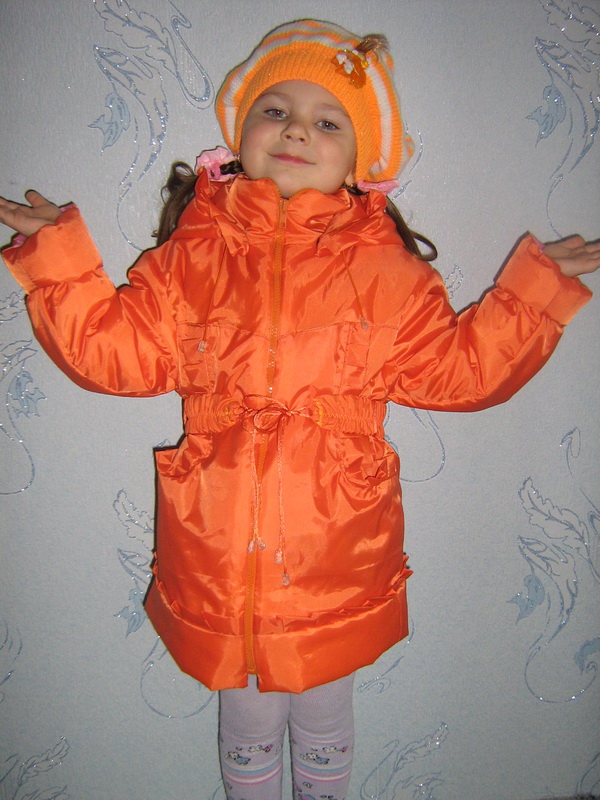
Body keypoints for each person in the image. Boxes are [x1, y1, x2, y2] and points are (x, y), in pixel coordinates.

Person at [1, 18, 598, 800]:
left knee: (323, 713)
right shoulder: (191, 258)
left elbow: (460, 372)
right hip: (217, 550)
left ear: (362, 161)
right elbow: (115, 353)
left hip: (335, 553)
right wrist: (60, 268)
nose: (295, 131)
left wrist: (533, 297)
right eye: (275, 110)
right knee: (246, 716)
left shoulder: (387, 272)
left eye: (327, 122)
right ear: (239, 132)